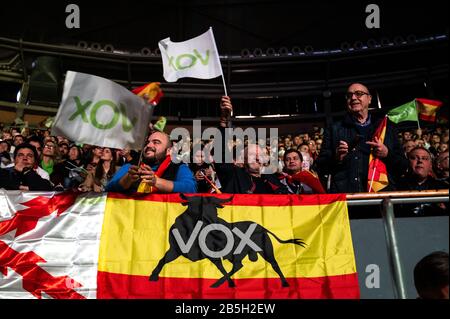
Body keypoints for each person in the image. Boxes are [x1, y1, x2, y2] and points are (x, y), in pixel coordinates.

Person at [316, 83, 408, 193]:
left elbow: (403, 166)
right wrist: (336, 158)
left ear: (369, 99)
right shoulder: (334, 129)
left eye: (359, 94)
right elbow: (320, 166)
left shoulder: (386, 127)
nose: (353, 98)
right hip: (347, 197)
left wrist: (387, 154)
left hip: (381, 196)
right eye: (349, 95)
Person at [213, 96, 288, 194]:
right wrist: (223, 121)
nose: (257, 158)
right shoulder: (234, 176)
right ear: (243, 160)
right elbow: (221, 155)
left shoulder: (272, 178)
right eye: (252, 155)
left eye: (260, 155)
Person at [106, 131, 196, 193]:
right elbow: (108, 188)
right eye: (147, 142)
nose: (149, 145)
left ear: (168, 151)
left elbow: (191, 188)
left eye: (156, 142)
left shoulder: (178, 167)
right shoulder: (132, 166)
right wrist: (127, 179)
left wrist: (156, 181)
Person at [396, 146, 448, 216]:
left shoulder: (444, 188)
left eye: (424, 158)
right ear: (407, 163)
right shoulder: (395, 186)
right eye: (414, 158)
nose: (420, 161)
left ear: (430, 166)